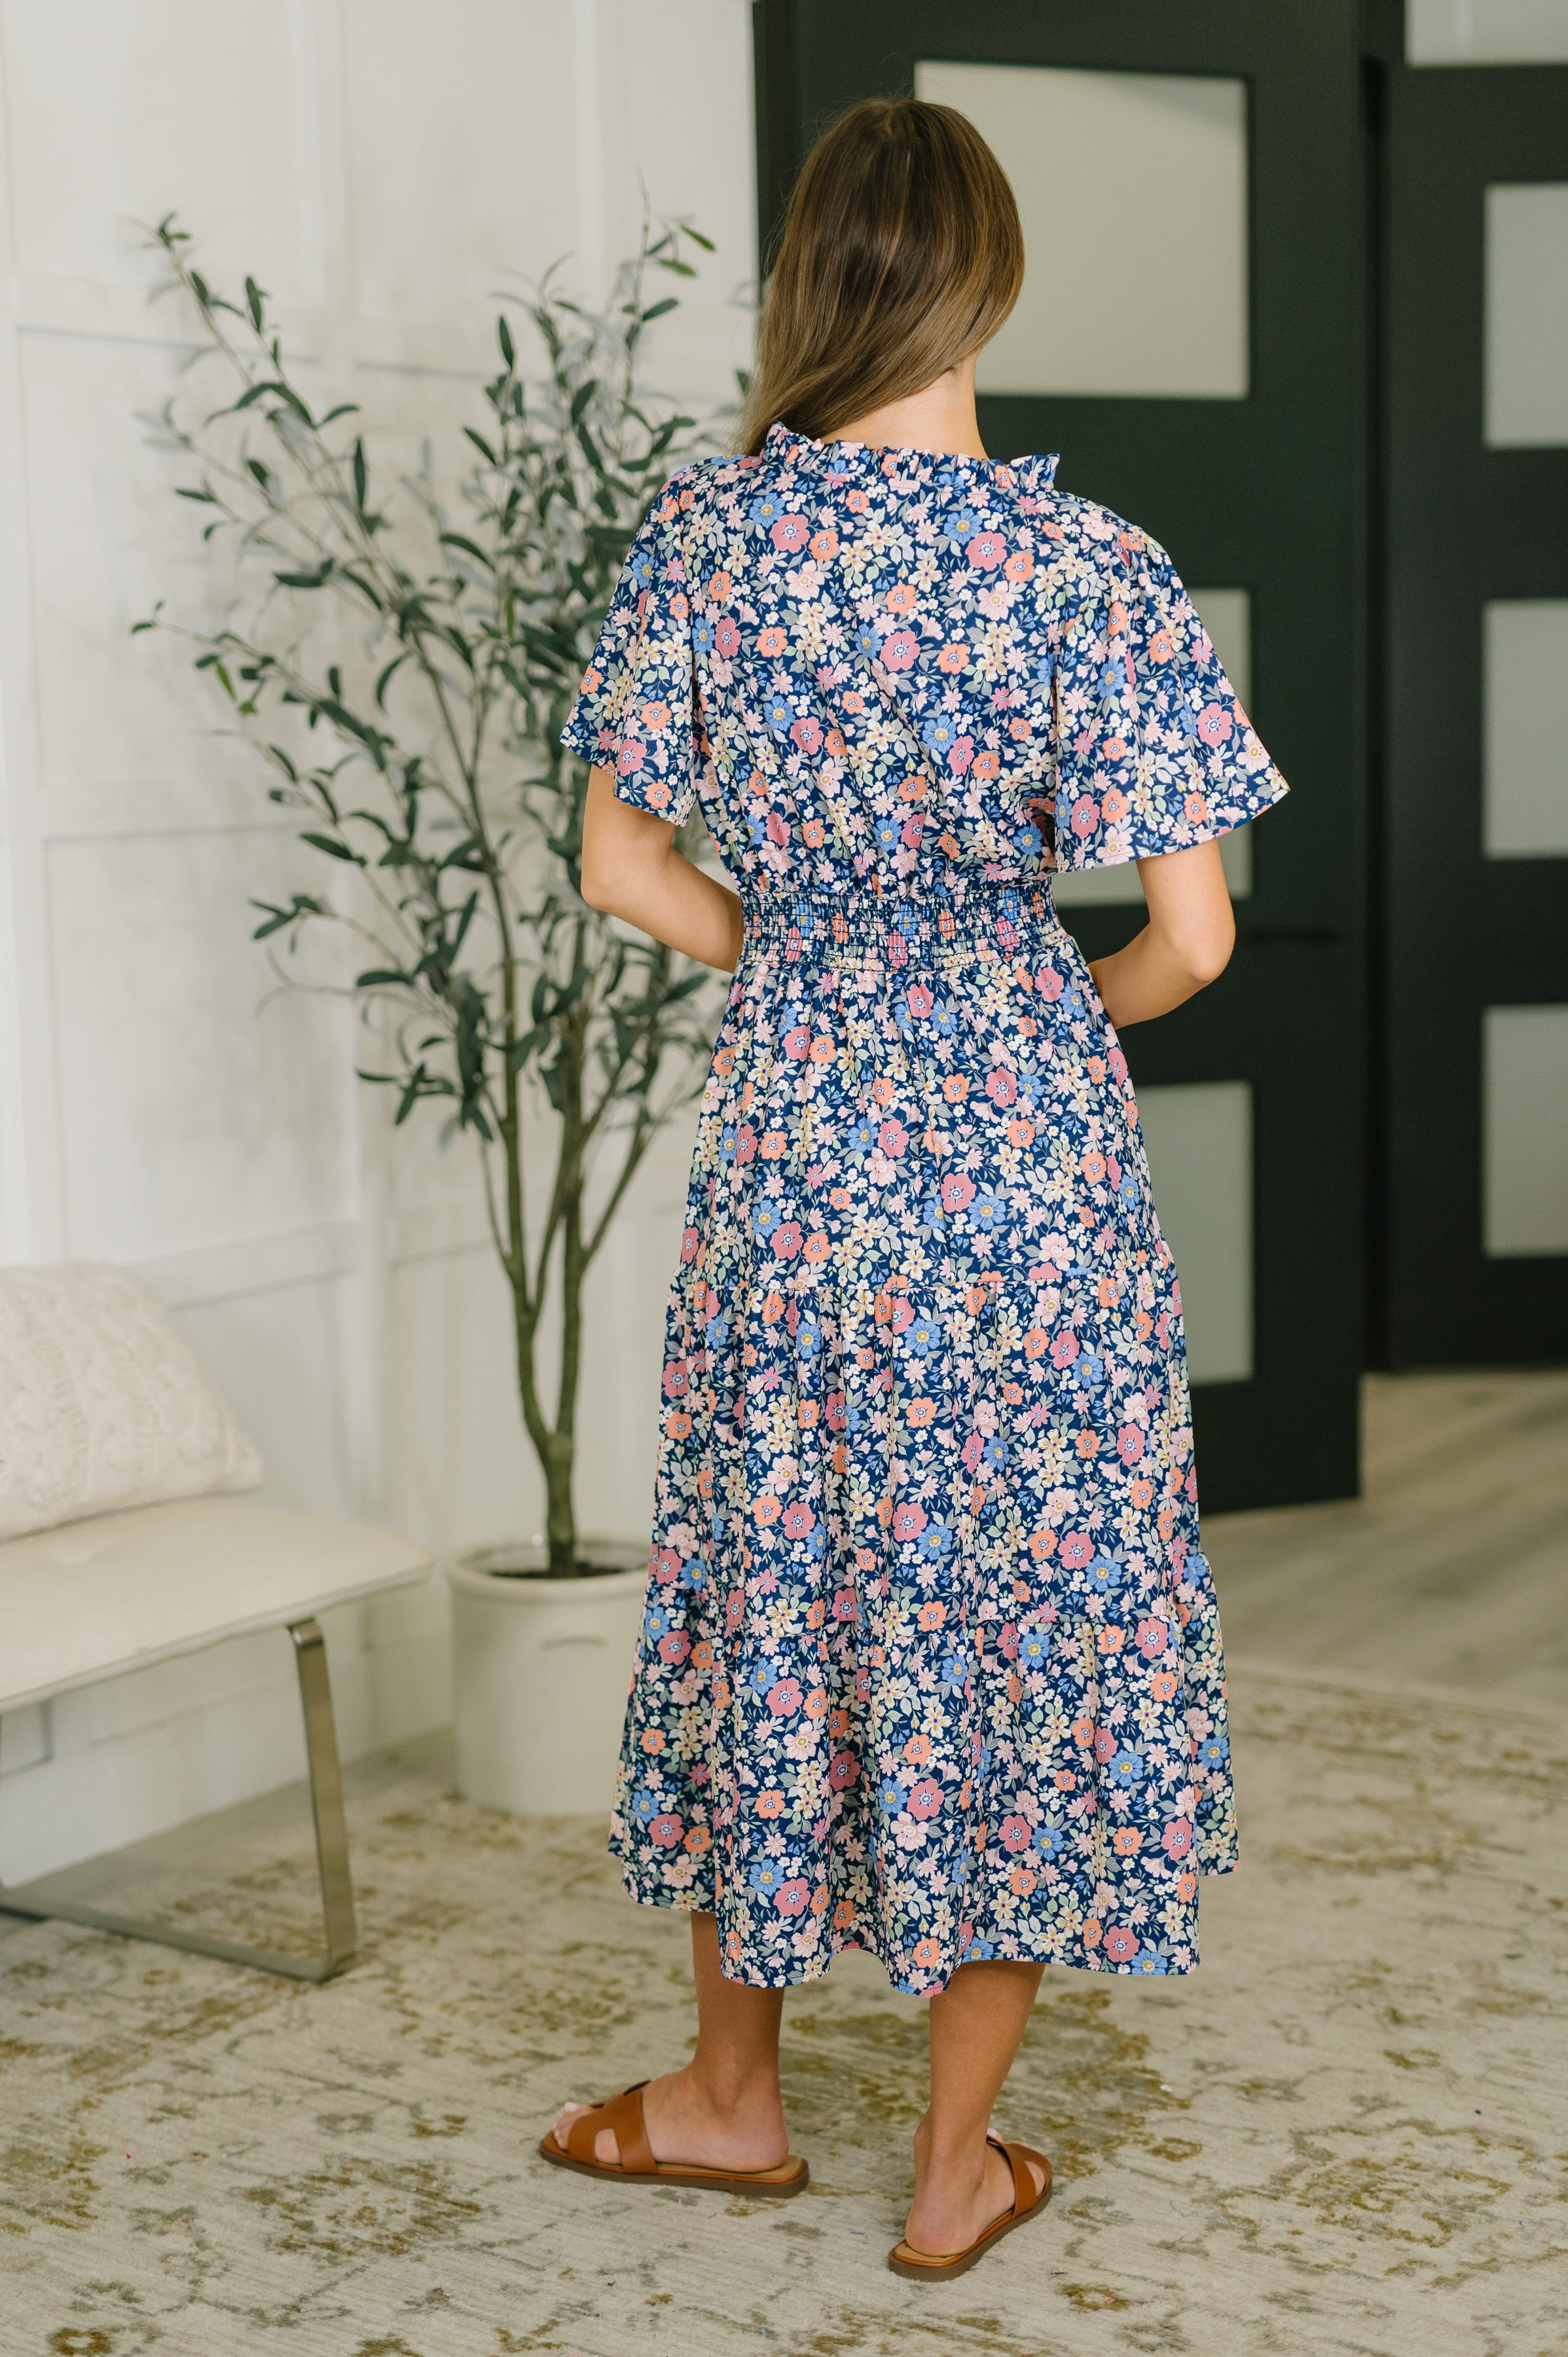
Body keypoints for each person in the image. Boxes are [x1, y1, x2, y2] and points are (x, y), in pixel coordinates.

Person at [542, 95, 1288, 2282]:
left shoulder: (707, 544)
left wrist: (813, 969)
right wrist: (1036, 1022)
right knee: (1020, 1606)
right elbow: (1192, 940)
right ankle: (957, 2169)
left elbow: (617, 868)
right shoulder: (1091, 568)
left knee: (770, 1575)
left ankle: (729, 2104)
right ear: (990, 282)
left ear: (811, 282)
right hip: (1028, 1164)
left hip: (799, 1136)